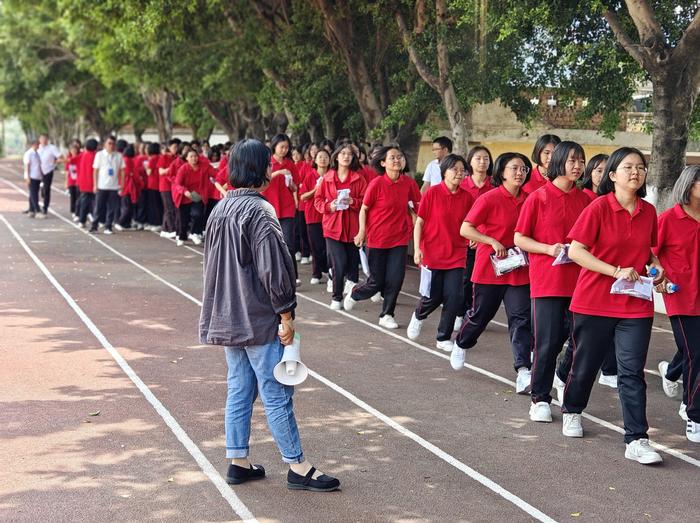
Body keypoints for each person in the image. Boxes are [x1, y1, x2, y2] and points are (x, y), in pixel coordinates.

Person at [199, 138, 340, 492]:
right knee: (276, 391)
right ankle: (297, 465)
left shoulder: (220, 210)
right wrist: (286, 313)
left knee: (239, 389)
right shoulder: (260, 211)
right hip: (258, 316)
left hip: (228, 315)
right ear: (261, 169)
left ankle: (238, 460)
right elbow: (275, 269)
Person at [563, 146, 665, 465]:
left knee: (631, 371)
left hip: (634, 304)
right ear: (613, 175)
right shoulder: (597, 209)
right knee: (585, 366)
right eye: (628, 167)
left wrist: (657, 267)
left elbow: (648, 253)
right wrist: (614, 270)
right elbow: (576, 251)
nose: (636, 172)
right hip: (594, 302)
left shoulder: (648, 212)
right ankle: (572, 409)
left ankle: (637, 438)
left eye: (641, 167)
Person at [513, 141, 591, 422]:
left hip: (581, 283)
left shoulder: (586, 200)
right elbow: (519, 238)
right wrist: (547, 249)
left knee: (579, 340)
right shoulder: (538, 197)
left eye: (581, 161)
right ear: (558, 162)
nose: (577, 166)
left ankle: (561, 377)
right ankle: (540, 398)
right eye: (572, 160)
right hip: (548, 282)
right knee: (546, 343)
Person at [451, 152, 533, 394]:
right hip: (490, 269)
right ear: (501, 172)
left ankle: (523, 371)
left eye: (523, 169)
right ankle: (462, 342)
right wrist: (491, 240)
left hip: (519, 269)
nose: (520, 173)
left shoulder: (530, 200)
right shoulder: (489, 198)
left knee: (521, 319)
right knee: (480, 315)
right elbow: (466, 229)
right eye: (514, 168)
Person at [555, 152, 618, 395]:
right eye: (598, 170)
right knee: (577, 335)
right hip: (585, 277)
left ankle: (610, 370)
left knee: (614, 330)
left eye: (606, 169)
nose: (601, 174)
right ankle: (563, 375)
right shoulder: (589, 201)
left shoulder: (619, 201)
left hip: (614, 281)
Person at [344, 145, 421, 329]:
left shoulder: (409, 184)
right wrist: (362, 231)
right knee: (376, 282)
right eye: (392, 158)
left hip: (400, 239)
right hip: (377, 239)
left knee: (395, 279)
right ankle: (355, 293)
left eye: (399, 157)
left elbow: (416, 207)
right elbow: (364, 209)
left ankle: (387, 314)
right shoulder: (377, 184)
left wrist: (417, 226)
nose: (397, 160)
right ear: (383, 163)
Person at [407, 154, 474, 350]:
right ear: (444, 171)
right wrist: (418, 248)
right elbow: (419, 222)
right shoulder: (432, 193)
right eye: (455, 170)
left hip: (457, 253)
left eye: (463, 171)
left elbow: (470, 224)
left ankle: (443, 337)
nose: (459, 174)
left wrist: (473, 237)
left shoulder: (467, 197)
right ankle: (419, 315)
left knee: (454, 296)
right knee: (433, 296)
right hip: (432, 252)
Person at [653, 166, 700, 442]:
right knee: (695, 353)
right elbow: (650, 254)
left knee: (694, 352)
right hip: (681, 296)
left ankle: (671, 373)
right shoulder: (669, 219)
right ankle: (694, 415)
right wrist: (658, 274)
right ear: (689, 185)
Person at [314, 143, 367, 309]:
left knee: (352, 264)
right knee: (339, 262)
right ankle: (336, 297)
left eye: (349, 154)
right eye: (343, 153)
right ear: (336, 157)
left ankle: (350, 289)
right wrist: (330, 206)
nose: (346, 156)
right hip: (332, 227)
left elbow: (366, 203)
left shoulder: (359, 179)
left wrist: (353, 202)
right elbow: (318, 200)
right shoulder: (327, 178)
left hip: (352, 228)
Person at [456, 145, 495, 331]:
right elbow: (457, 216)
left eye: (486, 158)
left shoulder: (494, 186)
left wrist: (481, 237)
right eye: (478, 158)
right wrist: (469, 237)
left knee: (481, 283)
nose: (482, 162)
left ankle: (475, 313)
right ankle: (460, 312)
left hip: (486, 242)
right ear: (470, 161)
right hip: (464, 242)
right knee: (465, 280)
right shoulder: (462, 185)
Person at [262, 134, 299, 281]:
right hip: (269, 207)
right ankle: (272, 276)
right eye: (281, 147)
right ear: (274, 146)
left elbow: (295, 187)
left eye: (286, 147)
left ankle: (292, 276)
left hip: (287, 207)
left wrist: (291, 184)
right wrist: (277, 173)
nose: (284, 150)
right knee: (270, 243)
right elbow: (261, 183)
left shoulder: (290, 164)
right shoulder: (266, 163)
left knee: (289, 243)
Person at [300, 148, 330, 285]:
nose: (323, 159)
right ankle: (317, 273)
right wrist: (316, 189)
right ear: (315, 160)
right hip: (313, 215)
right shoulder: (310, 175)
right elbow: (303, 196)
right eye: (320, 157)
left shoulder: (332, 175)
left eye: (325, 157)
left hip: (330, 215)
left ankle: (330, 270)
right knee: (316, 246)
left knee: (328, 247)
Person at [172, 149, 212, 246]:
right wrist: (184, 191)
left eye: (195, 156)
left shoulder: (204, 166)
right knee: (183, 219)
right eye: (191, 156)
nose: (194, 158)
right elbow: (177, 183)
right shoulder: (183, 168)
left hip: (197, 195)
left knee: (198, 214)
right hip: (185, 196)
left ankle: (194, 233)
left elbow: (216, 173)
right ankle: (181, 236)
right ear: (187, 158)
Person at [90, 136, 124, 235]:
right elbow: (95, 170)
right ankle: (94, 226)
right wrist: (95, 184)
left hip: (113, 186)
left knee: (111, 208)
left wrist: (122, 184)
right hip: (102, 185)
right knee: (98, 207)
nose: (111, 146)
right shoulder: (99, 155)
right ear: (104, 144)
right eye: (109, 143)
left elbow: (122, 171)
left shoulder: (118, 156)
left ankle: (108, 227)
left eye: (113, 144)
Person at [37, 133, 65, 216]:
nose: (43, 141)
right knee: (36, 189)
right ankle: (34, 207)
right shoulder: (38, 148)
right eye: (42, 139)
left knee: (46, 189)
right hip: (38, 171)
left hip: (48, 171)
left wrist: (55, 162)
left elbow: (61, 157)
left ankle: (45, 208)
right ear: (39, 140)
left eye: (45, 139)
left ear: (47, 139)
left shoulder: (52, 148)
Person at [158, 139, 180, 239]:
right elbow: (161, 171)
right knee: (169, 208)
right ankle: (171, 229)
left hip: (174, 186)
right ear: (169, 147)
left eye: (177, 147)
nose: (176, 149)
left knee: (172, 208)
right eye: (174, 147)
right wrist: (170, 168)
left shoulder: (177, 158)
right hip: (165, 186)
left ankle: (165, 229)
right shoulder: (164, 157)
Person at [76, 139, 98, 228]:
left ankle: (82, 220)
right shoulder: (95, 156)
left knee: (84, 202)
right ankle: (95, 219)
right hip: (92, 182)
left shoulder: (83, 155)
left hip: (83, 182)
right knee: (95, 203)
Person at [22, 139, 43, 218]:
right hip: (32, 176)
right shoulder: (29, 153)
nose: (39, 146)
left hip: (37, 176)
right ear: (34, 144)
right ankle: (37, 210)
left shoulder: (37, 153)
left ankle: (31, 210)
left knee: (33, 193)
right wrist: (28, 177)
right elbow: (27, 165)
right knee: (34, 194)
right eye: (38, 144)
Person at [65, 140, 82, 221]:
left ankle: (78, 212)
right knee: (73, 197)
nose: (74, 152)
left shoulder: (79, 158)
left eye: (75, 150)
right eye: (72, 150)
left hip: (78, 181)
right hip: (71, 181)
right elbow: (67, 171)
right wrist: (66, 182)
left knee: (79, 197)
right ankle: (73, 211)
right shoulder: (68, 160)